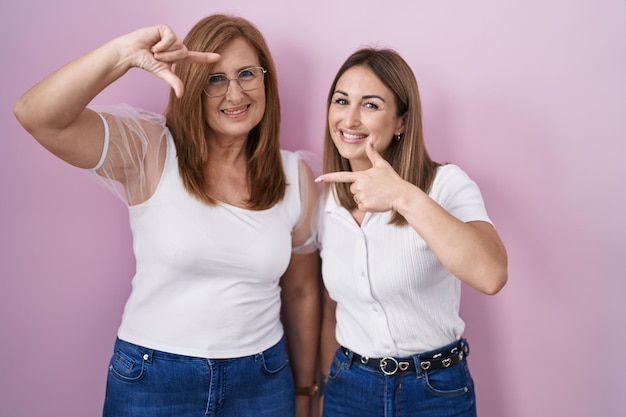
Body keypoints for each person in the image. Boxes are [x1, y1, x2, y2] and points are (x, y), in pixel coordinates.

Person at [13, 14, 320, 417]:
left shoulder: (293, 175)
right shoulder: (150, 149)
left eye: (247, 73)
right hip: (154, 379)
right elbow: (36, 115)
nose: (235, 93)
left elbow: (300, 292)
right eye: (215, 78)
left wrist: (304, 389)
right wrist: (123, 53)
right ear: (192, 86)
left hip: (262, 382)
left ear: (265, 81)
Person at [314, 47, 508, 417]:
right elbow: (332, 306)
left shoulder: (446, 185)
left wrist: (404, 195)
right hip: (349, 388)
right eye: (341, 101)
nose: (350, 119)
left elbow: (491, 274)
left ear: (402, 121)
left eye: (370, 105)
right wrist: (328, 383)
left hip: (434, 390)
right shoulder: (323, 201)